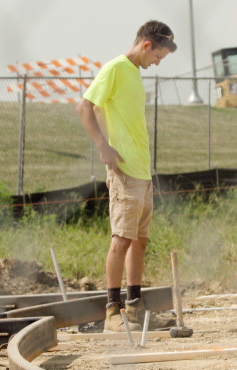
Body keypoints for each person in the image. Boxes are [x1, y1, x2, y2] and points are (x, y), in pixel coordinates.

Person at [76, 20, 177, 332]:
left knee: (139, 241)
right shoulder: (116, 68)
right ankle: (112, 312)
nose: (157, 63)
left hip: (142, 173)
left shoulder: (133, 73)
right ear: (146, 45)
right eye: (157, 56)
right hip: (123, 173)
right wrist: (102, 146)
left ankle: (134, 309)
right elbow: (84, 107)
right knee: (121, 240)